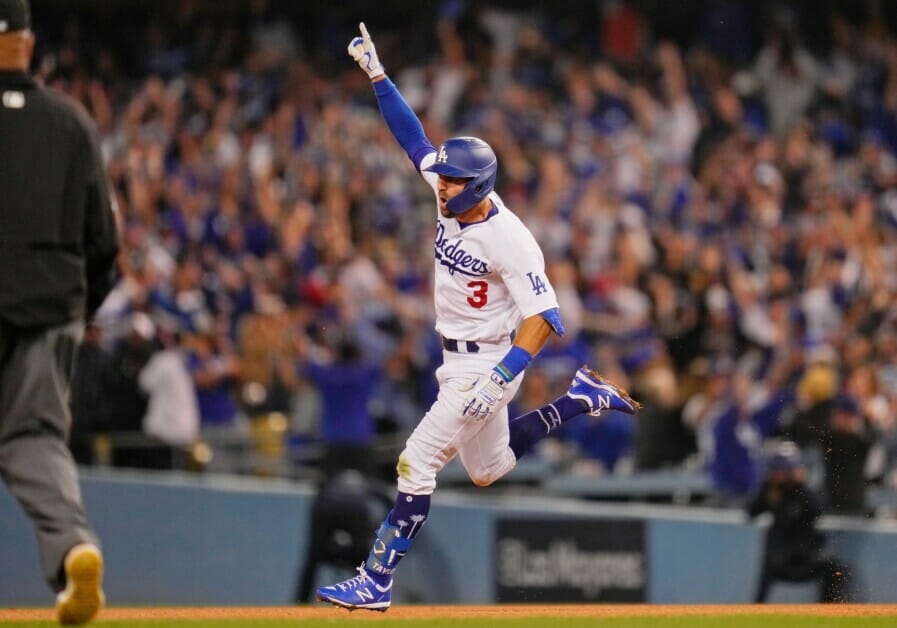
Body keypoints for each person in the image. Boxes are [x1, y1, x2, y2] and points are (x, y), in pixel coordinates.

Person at [316, 23, 639, 611]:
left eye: (453, 181)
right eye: (443, 179)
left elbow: (545, 317)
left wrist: (500, 377)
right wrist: (378, 76)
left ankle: (376, 579)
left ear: (479, 184)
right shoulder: (448, 192)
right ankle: (579, 400)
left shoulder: (509, 238)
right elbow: (413, 139)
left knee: (416, 461)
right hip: (458, 357)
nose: (441, 186)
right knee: (488, 468)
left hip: (487, 363)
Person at [0, 0, 118, 624]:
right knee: (34, 439)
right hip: (50, 309)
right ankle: (73, 548)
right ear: (27, 42)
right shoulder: (71, 121)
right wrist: (76, 312)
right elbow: (104, 243)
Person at [749, 441, 849, 603]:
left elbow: (819, 508)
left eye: (787, 470)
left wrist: (801, 484)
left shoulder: (804, 493)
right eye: (781, 470)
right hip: (780, 560)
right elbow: (751, 511)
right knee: (767, 567)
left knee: (833, 569)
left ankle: (828, 611)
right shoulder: (772, 492)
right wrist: (768, 490)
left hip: (806, 557)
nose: (784, 475)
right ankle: (756, 610)